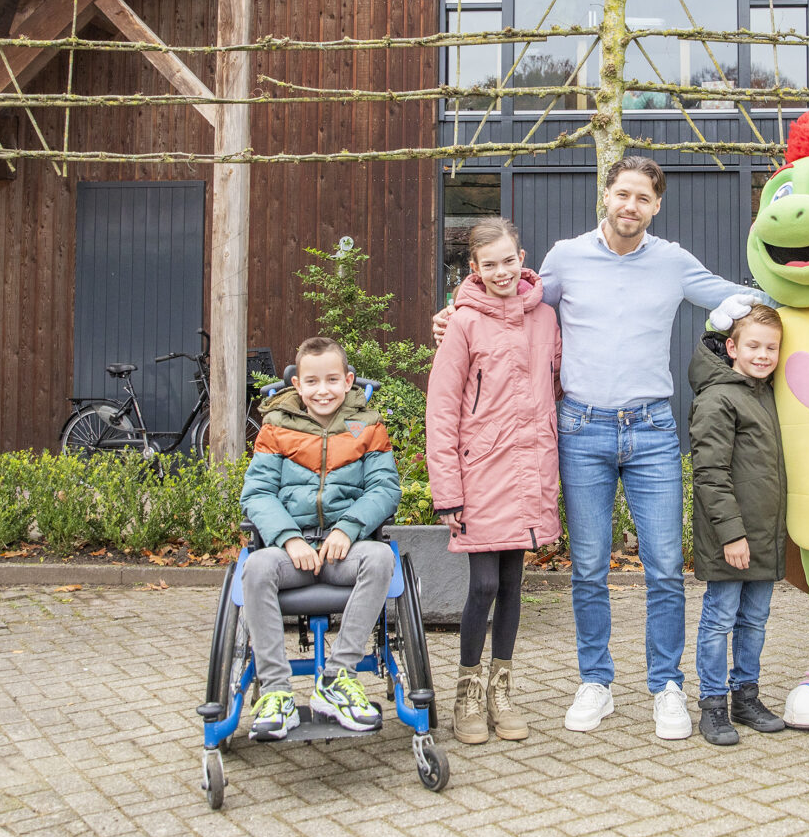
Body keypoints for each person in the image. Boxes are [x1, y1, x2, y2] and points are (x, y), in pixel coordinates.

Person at [433, 156, 754, 741]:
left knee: (664, 568)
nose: (631, 206)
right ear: (605, 194)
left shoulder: (673, 262)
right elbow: (515, 301)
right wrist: (457, 312)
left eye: (643, 198)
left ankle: (666, 686)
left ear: (656, 206)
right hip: (582, 429)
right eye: (622, 193)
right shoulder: (566, 257)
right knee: (587, 569)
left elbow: (737, 296)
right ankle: (595, 682)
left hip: (652, 430)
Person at [425, 218, 562, 745]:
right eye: (490, 264)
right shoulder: (462, 322)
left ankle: (501, 690)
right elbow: (442, 409)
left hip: (529, 467)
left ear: (521, 258)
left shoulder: (545, 316)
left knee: (511, 585)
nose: (501, 272)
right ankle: (467, 691)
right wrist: (447, 490)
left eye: (508, 261)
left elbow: (556, 382)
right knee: (482, 585)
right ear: (474, 268)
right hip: (479, 470)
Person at [239, 336, 403, 739]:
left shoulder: (368, 426)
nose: (322, 390)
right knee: (256, 566)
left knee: (381, 558)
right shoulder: (276, 427)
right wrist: (289, 538)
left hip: (343, 552)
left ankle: (337, 678)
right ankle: (276, 692)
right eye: (312, 382)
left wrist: (348, 528)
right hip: (290, 554)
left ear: (348, 381)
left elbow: (385, 488)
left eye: (332, 380)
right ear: (297, 385)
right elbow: (257, 494)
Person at [686, 305, 789, 746]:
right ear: (731, 347)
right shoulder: (718, 398)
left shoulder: (766, 393)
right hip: (731, 536)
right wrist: (732, 534)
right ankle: (713, 703)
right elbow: (710, 473)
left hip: (764, 532)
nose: (763, 355)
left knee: (755, 620)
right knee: (720, 619)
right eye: (754, 346)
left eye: (772, 348)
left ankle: (746, 695)